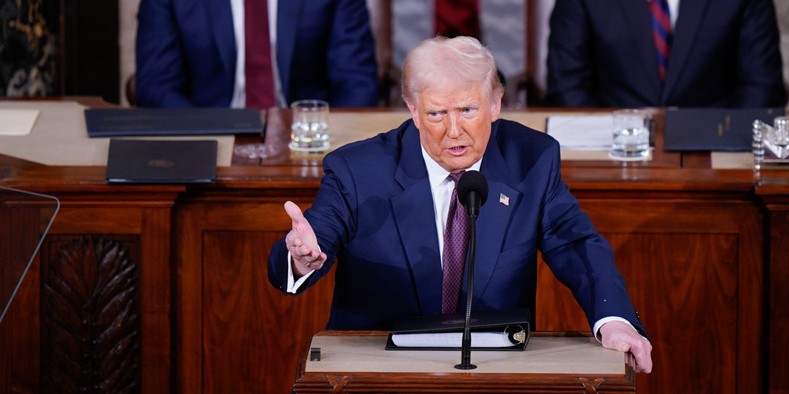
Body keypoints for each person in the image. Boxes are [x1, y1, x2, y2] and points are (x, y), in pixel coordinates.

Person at [267, 36, 652, 373]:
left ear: (496, 104)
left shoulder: (531, 160)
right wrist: (301, 257)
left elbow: (576, 244)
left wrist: (614, 320)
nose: (454, 131)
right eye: (436, 113)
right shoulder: (358, 169)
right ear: (412, 110)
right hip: (378, 371)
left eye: (468, 110)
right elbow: (318, 234)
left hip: (492, 369)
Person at [135, 0, 378, 108]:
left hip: (307, 140)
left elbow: (356, 80)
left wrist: (324, 136)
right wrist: (204, 133)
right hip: (207, 138)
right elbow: (157, 84)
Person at [545, 0, 788, 108]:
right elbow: (567, 83)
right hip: (613, 150)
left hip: (713, 151)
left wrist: (729, 143)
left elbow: (760, 85)